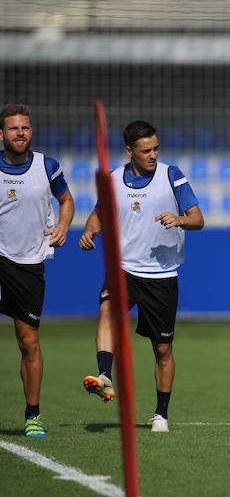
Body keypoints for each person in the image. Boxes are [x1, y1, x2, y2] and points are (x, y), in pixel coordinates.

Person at [79, 120, 204, 433]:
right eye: (146, 150)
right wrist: (89, 229)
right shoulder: (113, 180)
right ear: (129, 151)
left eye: (156, 148)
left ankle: (161, 414)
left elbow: (198, 219)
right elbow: (99, 214)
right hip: (124, 269)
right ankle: (104, 375)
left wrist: (179, 219)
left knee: (162, 350)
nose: (153, 155)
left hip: (161, 276)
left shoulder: (171, 175)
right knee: (107, 310)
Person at [0, 103, 75, 438]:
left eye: (25, 128)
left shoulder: (48, 166)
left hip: (29, 263)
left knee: (28, 342)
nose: (20, 133)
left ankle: (33, 415)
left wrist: (63, 225)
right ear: (1, 134)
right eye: (14, 128)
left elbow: (67, 201)